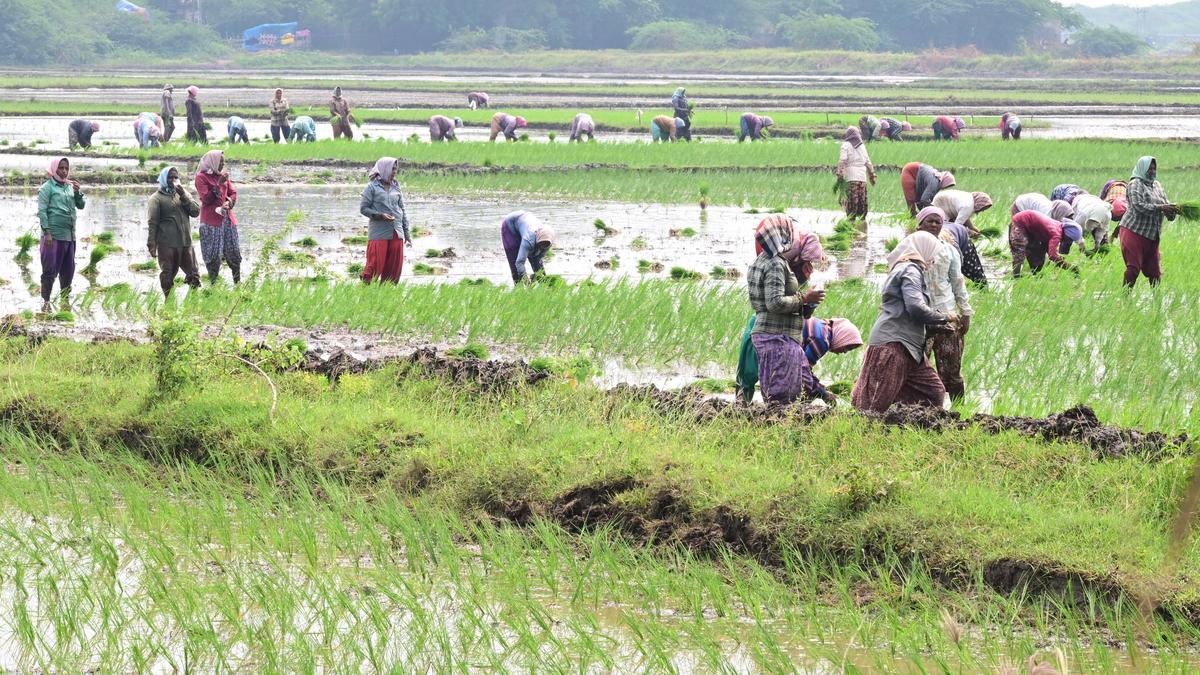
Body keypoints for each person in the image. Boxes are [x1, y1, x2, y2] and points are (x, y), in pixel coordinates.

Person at [851, 231, 954, 413]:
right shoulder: (910, 269)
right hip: (893, 345)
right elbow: (915, 308)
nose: (932, 261)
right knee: (873, 406)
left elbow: (909, 315)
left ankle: (904, 432)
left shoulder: (910, 270)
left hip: (911, 350)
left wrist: (936, 327)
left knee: (932, 393)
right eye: (932, 255)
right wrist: (944, 316)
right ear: (924, 250)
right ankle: (860, 437)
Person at [736, 216, 829, 402]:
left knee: (775, 387)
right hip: (775, 333)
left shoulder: (767, 262)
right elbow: (775, 303)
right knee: (779, 392)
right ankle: (773, 422)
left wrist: (806, 305)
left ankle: (748, 411)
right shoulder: (776, 264)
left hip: (773, 331)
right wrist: (805, 298)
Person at [915, 206, 973, 401]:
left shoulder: (948, 250)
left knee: (951, 370)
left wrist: (965, 312)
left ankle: (959, 411)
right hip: (920, 317)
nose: (933, 224)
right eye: (929, 221)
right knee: (917, 368)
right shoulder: (911, 248)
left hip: (947, 315)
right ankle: (919, 411)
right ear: (920, 224)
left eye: (937, 221)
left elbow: (958, 282)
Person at [37, 157, 85, 313]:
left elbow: (81, 205)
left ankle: (65, 302)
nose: (64, 171)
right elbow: (42, 212)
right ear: (54, 169)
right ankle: (45, 301)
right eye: (61, 168)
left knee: (68, 270)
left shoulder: (70, 187)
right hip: (53, 237)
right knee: (50, 271)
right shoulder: (47, 188)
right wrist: (47, 233)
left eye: (66, 168)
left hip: (70, 237)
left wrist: (78, 193)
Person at [1120, 156, 1176, 287]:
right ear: (1142, 168)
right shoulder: (1135, 184)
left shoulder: (1157, 185)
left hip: (1152, 235)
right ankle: (1124, 300)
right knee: (1133, 268)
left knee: (1155, 273)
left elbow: (1165, 203)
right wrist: (1161, 208)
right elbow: (1138, 206)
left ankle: (1157, 303)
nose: (1152, 171)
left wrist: (1172, 211)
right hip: (1133, 231)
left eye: (1154, 168)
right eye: (1149, 168)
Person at [146, 166, 201, 297]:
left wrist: (184, 196)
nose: (173, 180)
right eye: (170, 177)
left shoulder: (183, 194)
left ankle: (192, 301)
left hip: (186, 243)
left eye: (176, 177)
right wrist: (151, 244)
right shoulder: (156, 198)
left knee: (194, 274)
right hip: (167, 244)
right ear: (164, 179)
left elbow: (195, 212)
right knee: (167, 274)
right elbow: (152, 223)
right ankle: (168, 301)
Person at [359, 157, 412, 283]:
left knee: (394, 268)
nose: (394, 171)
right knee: (375, 265)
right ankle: (365, 291)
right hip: (379, 232)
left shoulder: (396, 187)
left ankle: (387, 294)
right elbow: (364, 209)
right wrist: (380, 215)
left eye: (395, 169)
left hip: (396, 231)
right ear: (384, 169)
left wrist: (407, 234)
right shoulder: (372, 187)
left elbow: (402, 211)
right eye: (392, 169)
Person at [194, 150, 242, 284]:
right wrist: (219, 184)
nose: (222, 164)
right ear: (212, 162)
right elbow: (206, 199)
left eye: (223, 162)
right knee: (213, 255)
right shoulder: (201, 177)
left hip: (227, 220)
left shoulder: (222, 175)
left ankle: (237, 283)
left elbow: (233, 192)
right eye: (220, 162)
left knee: (234, 253)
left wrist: (229, 202)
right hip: (211, 222)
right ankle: (213, 284)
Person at [1009, 209, 1084, 277]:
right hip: (1020, 222)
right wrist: (1070, 267)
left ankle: (1035, 274)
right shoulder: (1056, 234)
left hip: (1031, 229)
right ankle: (1016, 277)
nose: (1068, 242)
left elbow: (1050, 250)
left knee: (1039, 252)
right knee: (1019, 250)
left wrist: (1059, 259)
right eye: (1070, 239)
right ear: (1067, 234)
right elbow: (1052, 255)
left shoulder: (1058, 227)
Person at [501, 211, 555, 284]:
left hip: (526, 222)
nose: (543, 246)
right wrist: (526, 281)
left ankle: (542, 284)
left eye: (545, 245)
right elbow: (519, 262)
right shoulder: (529, 240)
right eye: (541, 244)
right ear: (537, 240)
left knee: (536, 259)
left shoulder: (549, 240)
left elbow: (538, 259)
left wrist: (542, 277)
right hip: (511, 224)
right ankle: (518, 287)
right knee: (514, 259)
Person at [836, 127, 876, 221]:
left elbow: (842, 161)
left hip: (851, 178)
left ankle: (852, 223)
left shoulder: (845, 145)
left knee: (852, 203)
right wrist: (872, 175)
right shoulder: (862, 146)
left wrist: (840, 176)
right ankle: (862, 224)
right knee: (862, 202)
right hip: (862, 179)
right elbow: (868, 162)